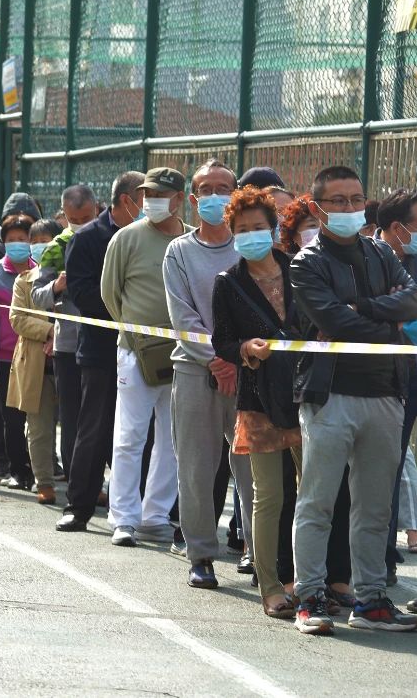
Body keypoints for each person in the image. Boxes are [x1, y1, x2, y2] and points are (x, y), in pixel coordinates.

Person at [288, 165, 417, 634]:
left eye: (356, 198)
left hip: (386, 392)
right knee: (318, 500)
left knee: (376, 505)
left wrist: (361, 310)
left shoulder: (382, 253)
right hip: (329, 394)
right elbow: (333, 323)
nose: (348, 208)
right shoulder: (307, 262)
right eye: (338, 200)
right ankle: (310, 597)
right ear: (318, 207)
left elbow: (412, 299)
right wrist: (387, 325)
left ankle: (371, 602)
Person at [212, 186, 306, 618]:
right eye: (242, 229)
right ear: (233, 234)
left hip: (307, 395)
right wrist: (245, 347)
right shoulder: (227, 283)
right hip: (258, 400)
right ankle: (270, 586)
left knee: (312, 492)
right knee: (268, 496)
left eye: (258, 227)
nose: (251, 235)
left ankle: (306, 581)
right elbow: (222, 341)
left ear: (273, 230)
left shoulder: (301, 270)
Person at [163, 160, 255, 589]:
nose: (215, 196)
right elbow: (184, 317)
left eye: (224, 187)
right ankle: (200, 554)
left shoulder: (251, 246)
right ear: (194, 199)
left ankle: (261, 555)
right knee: (197, 469)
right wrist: (218, 358)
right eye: (206, 189)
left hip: (250, 372)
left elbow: (263, 310)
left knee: (255, 469)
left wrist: (237, 359)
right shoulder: (178, 252)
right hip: (196, 371)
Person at [100, 167, 186, 548]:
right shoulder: (126, 238)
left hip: (183, 355)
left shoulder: (188, 241)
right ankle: (123, 517)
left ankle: (155, 514)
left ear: (179, 199)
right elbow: (109, 293)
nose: (151, 200)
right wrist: (132, 334)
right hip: (134, 354)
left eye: (160, 194)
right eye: (147, 193)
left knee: (172, 438)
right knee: (129, 436)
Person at [57, 171, 146, 533]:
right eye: (146, 198)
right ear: (126, 201)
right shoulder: (90, 238)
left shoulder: (157, 236)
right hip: (100, 349)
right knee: (94, 426)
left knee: (143, 433)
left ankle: (143, 510)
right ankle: (79, 506)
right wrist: (129, 308)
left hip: (146, 350)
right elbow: (81, 292)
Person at [33, 184, 98, 479]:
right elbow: (37, 296)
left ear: (97, 209)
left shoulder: (110, 239)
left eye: (87, 218)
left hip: (103, 342)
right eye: (75, 220)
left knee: (98, 418)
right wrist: (57, 287)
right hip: (68, 346)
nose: (82, 225)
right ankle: (76, 479)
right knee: (71, 418)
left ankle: (98, 479)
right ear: (64, 215)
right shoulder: (56, 248)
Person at [375, 188, 417, 586]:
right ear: (396, 228)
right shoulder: (365, 259)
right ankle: (379, 557)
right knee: (382, 465)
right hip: (380, 375)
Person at [7, 217, 61, 503]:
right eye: (36, 242)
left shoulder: (71, 275)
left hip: (70, 361)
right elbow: (17, 319)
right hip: (36, 364)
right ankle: (44, 482)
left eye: (47, 241)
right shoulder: (23, 281)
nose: (41, 247)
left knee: (79, 428)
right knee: (39, 427)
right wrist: (52, 330)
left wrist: (62, 335)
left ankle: (84, 483)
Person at [0, 214, 37, 489]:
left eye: (23, 239)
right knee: (10, 416)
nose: (17, 244)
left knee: (38, 416)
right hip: (5, 356)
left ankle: (41, 469)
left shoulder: (41, 271)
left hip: (37, 354)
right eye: (11, 240)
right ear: (3, 243)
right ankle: (16, 469)